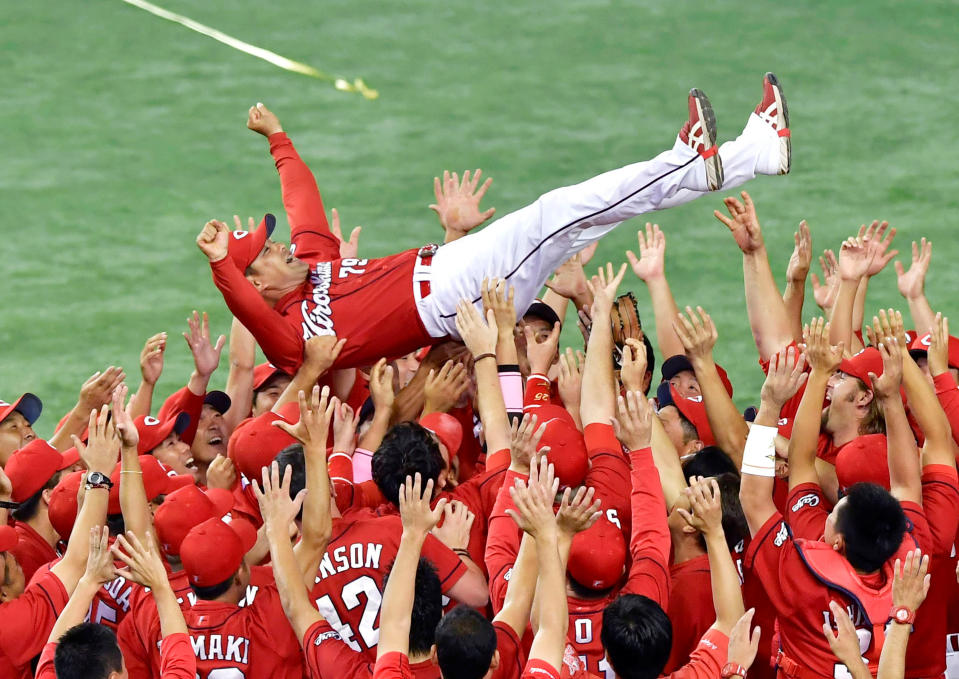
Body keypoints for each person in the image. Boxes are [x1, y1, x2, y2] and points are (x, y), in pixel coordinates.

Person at [197, 74, 792, 373]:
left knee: (584, 217)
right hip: (459, 296)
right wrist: (223, 264)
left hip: (458, 272)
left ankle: (751, 154)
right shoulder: (290, 341)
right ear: (256, 282)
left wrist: (277, 138)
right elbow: (245, 307)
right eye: (266, 252)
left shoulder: (314, 265)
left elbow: (302, 200)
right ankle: (692, 157)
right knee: (561, 210)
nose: (278, 246)